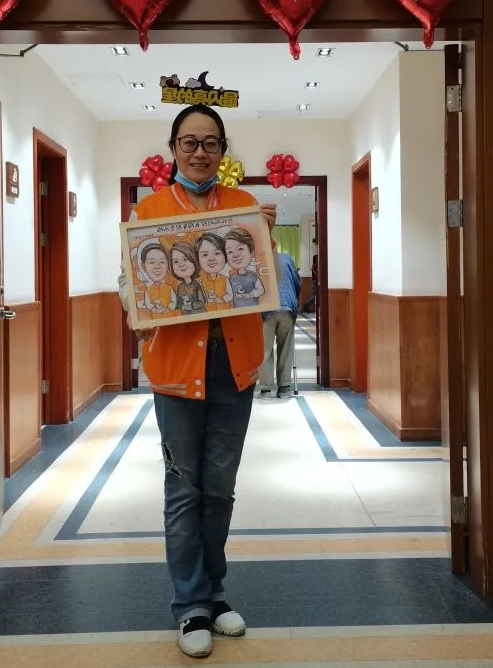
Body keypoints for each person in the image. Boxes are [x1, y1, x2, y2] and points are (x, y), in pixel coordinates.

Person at [118, 104, 276, 658]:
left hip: (234, 366)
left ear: (223, 151)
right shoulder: (150, 212)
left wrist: (263, 242)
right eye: (190, 142)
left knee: (220, 487)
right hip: (175, 369)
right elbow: (130, 284)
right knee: (184, 488)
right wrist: (137, 305)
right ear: (174, 149)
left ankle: (214, 592)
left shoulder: (244, 206)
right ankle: (189, 605)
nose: (200, 152)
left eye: (211, 143)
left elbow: (258, 281)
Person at [258, 250, 302, 398]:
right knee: (286, 348)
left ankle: (266, 390)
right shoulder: (287, 259)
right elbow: (297, 282)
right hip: (287, 307)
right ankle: (284, 388)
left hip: (266, 309)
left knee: (265, 349)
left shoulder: (259, 259)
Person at [224, 227, 264, 308]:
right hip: (237, 311)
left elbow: (261, 290)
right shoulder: (231, 278)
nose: (235, 255)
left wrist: (250, 295)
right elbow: (229, 294)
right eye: (230, 251)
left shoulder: (252, 276)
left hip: (253, 309)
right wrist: (226, 297)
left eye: (240, 248)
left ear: (251, 253)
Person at [197, 232, 233, 311]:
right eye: (205, 255)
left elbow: (230, 294)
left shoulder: (225, 279)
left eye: (217, 253)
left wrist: (222, 299)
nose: (211, 258)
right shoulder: (199, 282)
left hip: (225, 311)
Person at [170, 241, 207, 316]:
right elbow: (179, 303)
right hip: (185, 316)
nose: (181, 264)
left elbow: (203, 302)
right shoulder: (180, 287)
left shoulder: (196, 284)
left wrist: (192, 306)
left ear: (193, 260)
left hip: (199, 315)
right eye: (176, 262)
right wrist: (176, 306)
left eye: (185, 259)